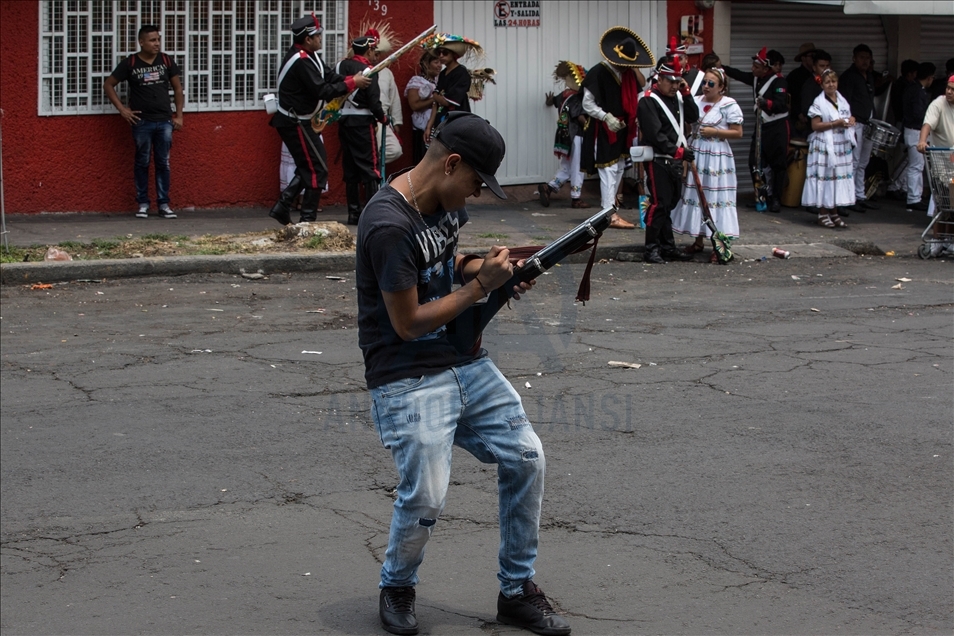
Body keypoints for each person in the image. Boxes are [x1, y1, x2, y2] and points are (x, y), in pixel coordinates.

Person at [356, 111, 570, 636]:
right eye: (475, 182)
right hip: (406, 371)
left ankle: (517, 590)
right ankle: (398, 584)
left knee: (527, 458)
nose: (474, 195)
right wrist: (479, 291)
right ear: (451, 163)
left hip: (463, 358)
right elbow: (407, 323)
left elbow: (447, 265)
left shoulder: (443, 205)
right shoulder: (388, 223)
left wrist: (489, 271)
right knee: (427, 493)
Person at [268, 16, 369, 226]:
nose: (320, 38)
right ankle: (307, 220)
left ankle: (283, 206)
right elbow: (322, 90)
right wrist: (353, 83)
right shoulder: (301, 61)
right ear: (307, 39)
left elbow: (330, 76)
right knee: (317, 168)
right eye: (317, 35)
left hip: (302, 122)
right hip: (294, 122)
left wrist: (352, 79)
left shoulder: (310, 56)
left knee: (311, 166)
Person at [103, 25, 184, 219]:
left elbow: (178, 89)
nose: (157, 43)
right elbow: (108, 84)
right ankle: (143, 204)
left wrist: (179, 115)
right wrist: (122, 110)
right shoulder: (130, 63)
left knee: (163, 162)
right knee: (142, 162)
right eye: (152, 40)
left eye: (158, 39)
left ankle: (163, 204)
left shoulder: (165, 60)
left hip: (164, 121)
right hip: (141, 122)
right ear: (141, 42)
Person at [581, 26, 653, 229]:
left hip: (624, 126)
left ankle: (611, 210)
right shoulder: (598, 72)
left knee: (619, 167)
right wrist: (606, 117)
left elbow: (639, 94)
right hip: (603, 128)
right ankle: (607, 213)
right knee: (608, 169)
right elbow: (587, 103)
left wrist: (638, 116)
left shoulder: (628, 73)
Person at [671, 68, 744, 262]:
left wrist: (715, 132)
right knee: (698, 193)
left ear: (721, 87)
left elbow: (738, 132)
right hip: (697, 153)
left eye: (711, 84)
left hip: (718, 155)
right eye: (704, 82)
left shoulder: (729, 105)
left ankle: (718, 243)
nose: (706, 86)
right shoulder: (695, 101)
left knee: (715, 197)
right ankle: (698, 240)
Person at [637, 54, 700, 263]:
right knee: (659, 205)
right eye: (670, 81)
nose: (674, 86)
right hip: (658, 159)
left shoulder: (679, 98)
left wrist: (687, 92)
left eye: (677, 81)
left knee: (670, 203)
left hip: (674, 160)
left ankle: (667, 246)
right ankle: (651, 248)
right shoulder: (648, 101)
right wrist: (679, 152)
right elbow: (655, 135)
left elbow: (693, 116)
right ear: (659, 79)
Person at [724, 47, 790, 213]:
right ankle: (760, 196)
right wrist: (722, 68)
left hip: (777, 127)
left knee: (778, 164)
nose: (753, 69)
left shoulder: (779, 82)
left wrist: (767, 104)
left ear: (765, 69)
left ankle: (775, 199)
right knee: (755, 162)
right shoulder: (755, 79)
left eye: (756, 67)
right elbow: (738, 74)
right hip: (761, 127)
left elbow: (781, 104)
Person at [337, 34, 387, 225]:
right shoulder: (369, 71)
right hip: (362, 123)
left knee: (350, 169)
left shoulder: (341, 66)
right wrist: (383, 118)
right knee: (369, 168)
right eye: (374, 51)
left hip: (344, 121)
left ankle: (353, 213)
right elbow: (374, 102)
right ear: (368, 50)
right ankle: (372, 213)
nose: (376, 55)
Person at [838, 44, 891, 212]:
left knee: (863, 162)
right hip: (855, 124)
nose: (865, 61)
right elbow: (843, 101)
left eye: (868, 58)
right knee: (852, 162)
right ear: (854, 58)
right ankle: (849, 197)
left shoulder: (868, 76)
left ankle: (860, 195)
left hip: (869, 124)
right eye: (861, 57)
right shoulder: (849, 76)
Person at [801, 69, 855, 229]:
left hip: (840, 144)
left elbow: (847, 115)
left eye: (833, 81)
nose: (831, 85)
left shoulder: (842, 100)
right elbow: (815, 125)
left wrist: (851, 119)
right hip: (824, 145)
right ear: (822, 84)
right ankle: (823, 213)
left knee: (836, 178)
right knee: (825, 178)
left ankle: (834, 212)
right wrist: (834, 124)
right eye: (827, 82)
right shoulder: (819, 103)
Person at [539, 61, 590, 209]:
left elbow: (551, 101)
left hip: (563, 135)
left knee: (566, 166)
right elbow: (580, 117)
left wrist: (549, 100)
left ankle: (549, 187)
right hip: (576, 136)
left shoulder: (564, 95)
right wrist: (590, 127)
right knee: (578, 167)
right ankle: (576, 198)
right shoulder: (578, 98)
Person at [423, 34, 482, 141]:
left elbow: (447, 102)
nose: (441, 56)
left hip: (457, 123)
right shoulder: (442, 74)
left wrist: (436, 95)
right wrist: (429, 127)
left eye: (445, 53)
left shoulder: (461, 73)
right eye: (438, 53)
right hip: (440, 123)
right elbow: (436, 104)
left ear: (453, 55)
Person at [363, 24, 404, 166]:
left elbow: (394, 98)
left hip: (382, 119)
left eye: (379, 53)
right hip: (365, 118)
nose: (376, 56)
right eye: (374, 52)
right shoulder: (359, 71)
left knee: (395, 150)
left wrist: (397, 122)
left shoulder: (387, 73)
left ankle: (370, 168)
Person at [917, 74, 954, 230]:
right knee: (944, 203)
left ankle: (949, 239)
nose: (949, 92)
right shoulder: (938, 104)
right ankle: (938, 240)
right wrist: (922, 141)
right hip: (942, 162)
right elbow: (928, 124)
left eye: (953, 90)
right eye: (948, 88)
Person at [902, 62, 936, 212]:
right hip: (915, 130)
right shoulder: (918, 92)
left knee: (915, 165)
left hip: (911, 130)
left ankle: (913, 195)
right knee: (916, 166)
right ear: (929, 78)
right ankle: (913, 198)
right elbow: (918, 113)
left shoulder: (913, 88)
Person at [405, 50, 442, 164]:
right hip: (423, 130)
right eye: (436, 62)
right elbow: (414, 105)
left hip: (437, 128)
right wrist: (435, 99)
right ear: (426, 63)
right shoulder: (417, 81)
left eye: (441, 62)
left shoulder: (440, 81)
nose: (439, 66)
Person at [787, 43, 818, 139]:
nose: (814, 58)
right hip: (800, 121)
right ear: (803, 58)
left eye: (815, 56)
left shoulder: (816, 75)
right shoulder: (795, 76)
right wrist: (799, 114)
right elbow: (791, 97)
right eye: (811, 56)